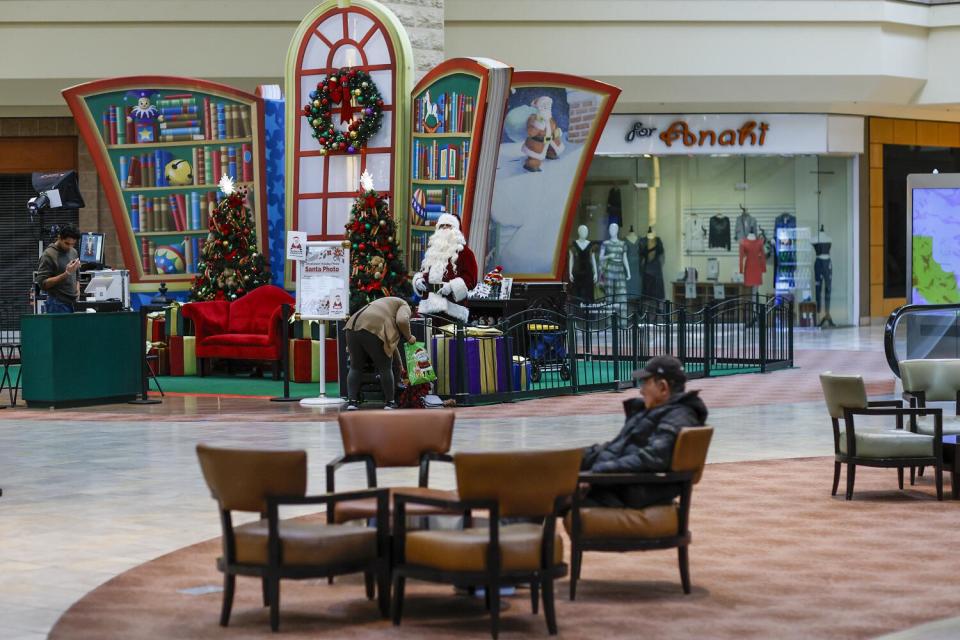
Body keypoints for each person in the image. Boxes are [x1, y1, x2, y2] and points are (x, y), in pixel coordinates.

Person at [580, 355, 708, 508]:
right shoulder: (653, 410)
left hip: (624, 490)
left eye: (645, 382)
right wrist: (579, 457)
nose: (641, 391)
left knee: (550, 493)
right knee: (549, 471)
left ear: (663, 387)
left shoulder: (679, 417)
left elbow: (652, 458)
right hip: (614, 483)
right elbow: (619, 446)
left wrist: (595, 473)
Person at [343, 296, 416, 410]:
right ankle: (390, 402)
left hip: (351, 326)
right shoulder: (404, 304)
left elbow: (392, 346)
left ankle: (352, 402)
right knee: (385, 367)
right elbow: (402, 320)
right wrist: (409, 336)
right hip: (372, 327)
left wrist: (400, 364)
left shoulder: (382, 303)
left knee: (355, 367)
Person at [412, 213, 478, 323]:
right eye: (442, 226)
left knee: (449, 340)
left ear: (456, 230)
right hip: (429, 309)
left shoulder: (465, 253)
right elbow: (425, 273)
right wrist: (418, 281)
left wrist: (451, 286)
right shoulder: (432, 252)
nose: (445, 229)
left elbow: (471, 279)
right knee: (430, 339)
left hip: (452, 310)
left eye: (448, 226)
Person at [35, 224, 82, 314]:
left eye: (73, 244)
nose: (69, 247)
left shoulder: (73, 252)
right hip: (57, 303)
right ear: (59, 238)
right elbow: (42, 284)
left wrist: (78, 290)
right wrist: (66, 274)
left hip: (72, 302)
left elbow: (77, 275)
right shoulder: (48, 255)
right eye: (67, 243)